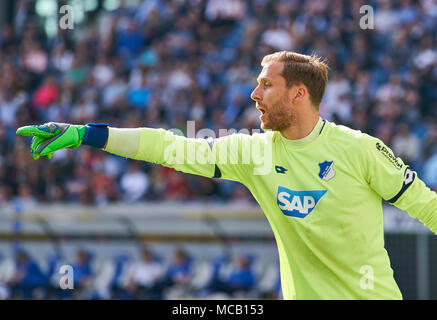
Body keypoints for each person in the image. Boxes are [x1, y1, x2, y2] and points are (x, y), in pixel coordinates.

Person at [16, 51, 437, 300]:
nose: (254, 94)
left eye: (265, 85)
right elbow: (170, 147)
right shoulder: (253, 152)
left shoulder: (359, 149)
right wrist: (86, 133)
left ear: (299, 93)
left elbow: (425, 205)